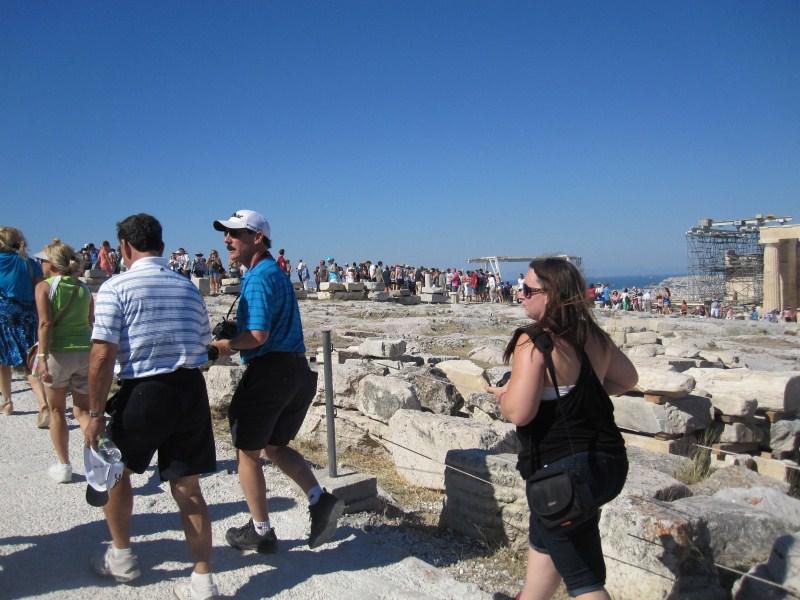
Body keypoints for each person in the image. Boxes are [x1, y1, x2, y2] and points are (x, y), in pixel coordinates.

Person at [486, 257, 638, 600]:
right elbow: (628, 379)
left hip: (563, 471)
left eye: (527, 289)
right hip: (610, 462)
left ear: (550, 295)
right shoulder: (592, 335)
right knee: (547, 541)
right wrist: (581, 395)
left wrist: (505, 395)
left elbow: (520, 414)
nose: (519, 294)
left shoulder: (535, 340)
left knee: (585, 583)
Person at [84, 214, 218, 600]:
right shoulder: (189, 288)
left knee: (116, 473)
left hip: (144, 390)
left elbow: (102, 355)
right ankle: (202, 581)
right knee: (188, 487)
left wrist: (94, 415)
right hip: (190, 390)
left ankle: (122, 557)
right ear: (161, 244)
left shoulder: (115, 287)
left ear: (124, 247)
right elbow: (202, 346)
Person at [210, 209, 344, 555]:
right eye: (227, 233)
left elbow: (256, 335)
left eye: (235, 234)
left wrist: (225, 346)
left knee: (247, 452)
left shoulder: (256, 277)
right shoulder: (277, 273)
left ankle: (260, 531)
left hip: (268, 372)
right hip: (296, 370)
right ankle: (319, 500)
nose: (228, 240)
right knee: (274, 445)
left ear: (257, 238)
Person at [34, 240, 94, 483]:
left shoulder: (45, 287)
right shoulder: (84, 288)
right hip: (84, 352)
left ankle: (64, 465)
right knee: (83, 410)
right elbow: (90, 320)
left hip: (58, 353)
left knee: (57, 409)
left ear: (51, 264)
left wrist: (41, 358)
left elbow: (45, 324)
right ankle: (98, 457)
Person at [0, 226, 49, 425]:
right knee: (30, 361)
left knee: (3, 361)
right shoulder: (30, 263)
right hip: (29, 314)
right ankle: (43, 404)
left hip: (3, 313)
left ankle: (7, 402)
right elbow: (41, 289)